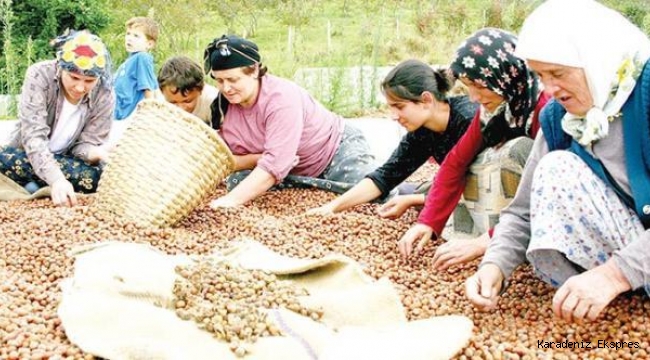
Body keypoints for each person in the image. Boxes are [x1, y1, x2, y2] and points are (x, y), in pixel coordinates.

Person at [465, 0, 650, 323]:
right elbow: (522, 211)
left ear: (597, 58)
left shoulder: (646, 94)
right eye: (540, 75)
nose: (549, 89)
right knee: (555, 169)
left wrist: (615, 275)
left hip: (633, 261)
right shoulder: (559, 118)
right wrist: (494, 265)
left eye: (558, 73)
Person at [397, 28, 551, 270]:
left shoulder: (545, 111)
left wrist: (487, 242)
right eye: (468, 86)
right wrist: (427, 221)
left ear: (505, 74)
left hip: (541, 212)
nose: (473, 97)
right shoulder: (492, 111)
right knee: (476, 161)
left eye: (480, 85)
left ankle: (514, 242)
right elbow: (455, 162)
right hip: (510, 216)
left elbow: (550, 192)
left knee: (519, 149)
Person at [204, 34, 377, 208]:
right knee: (237, 182)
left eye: (233, 80)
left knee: (371, 194)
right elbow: (223, 156)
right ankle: (311, 186)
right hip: (291, 170)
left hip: (333, 152)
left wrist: (230, 201)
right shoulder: (221, 107)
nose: (226, 88)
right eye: (219, 81)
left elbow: (275, 163)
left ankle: (401, 191)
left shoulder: (281, 98)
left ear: (254, 70)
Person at [308, 59, 477, 216]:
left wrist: (414, 200)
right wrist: (331, 207)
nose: (394, 116)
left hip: (488, 197)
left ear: (426, 100)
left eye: (399, 107)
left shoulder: (470, 120)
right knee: (412, 193)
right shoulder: (423, 132)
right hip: (458, 188)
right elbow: (385, 177)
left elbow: (480, 186)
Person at [0, 30, 114, 207]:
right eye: (74, 78)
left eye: (89, 81)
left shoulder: (105, 94)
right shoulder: (39, 75)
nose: (80, 87)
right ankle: (44, 183)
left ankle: (32, 184)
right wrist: (57, 180)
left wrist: (98, 153)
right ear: (61, 67)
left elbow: (83, 146)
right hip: (27, 154)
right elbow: (33, 137)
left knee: (95, 178)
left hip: (67, 161)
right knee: (4, 157)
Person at [114, 16, 159, 121]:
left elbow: (148, 88)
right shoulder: (131, 59)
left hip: (122, 113)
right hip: (112, 109)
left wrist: (151, 116)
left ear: (149, 44)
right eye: (128, 34)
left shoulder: (142, 58)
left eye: (136, 36)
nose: (129, 38)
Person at [158, 55, 219, 124]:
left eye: (187, 101)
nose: (180, 109)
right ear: (162, 92)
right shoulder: (158, 105)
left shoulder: (214, 103)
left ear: (201, 90)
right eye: (173, 102)